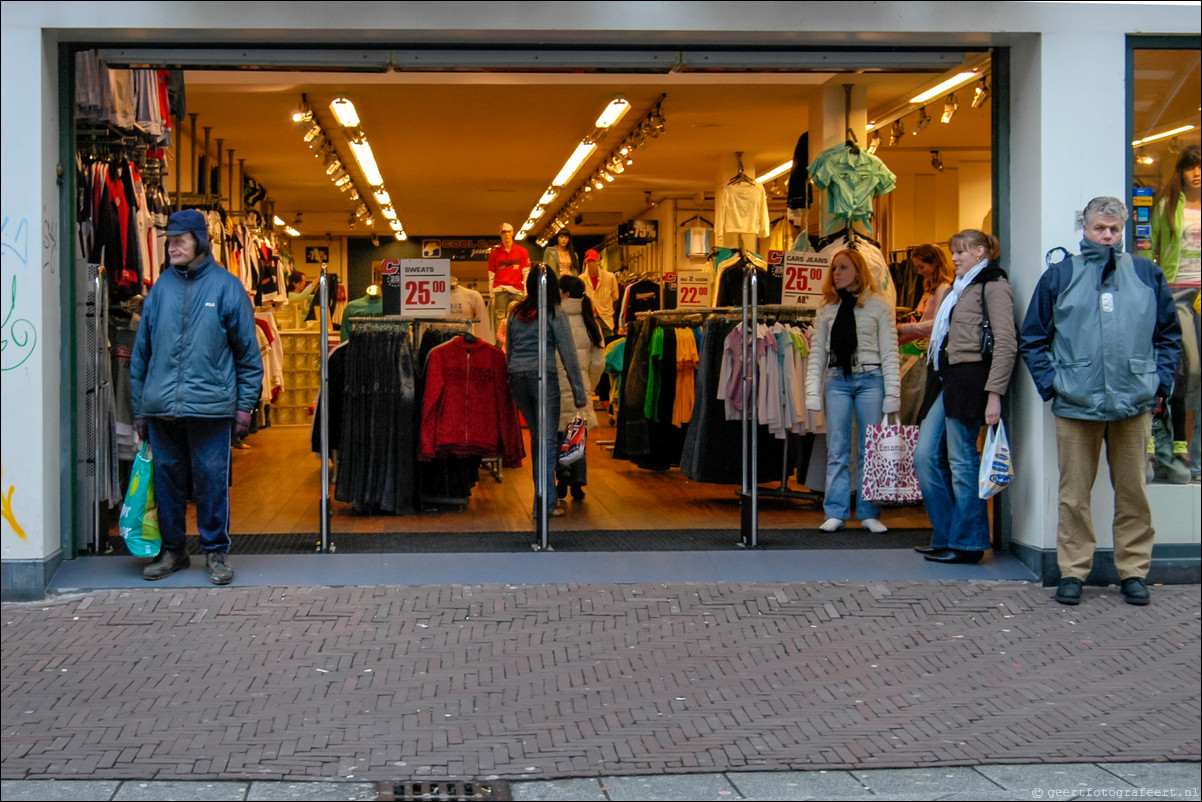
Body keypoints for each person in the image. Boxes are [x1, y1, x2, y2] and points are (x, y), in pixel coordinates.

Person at [1019, 196, 1182, 606]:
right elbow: (1033, 337)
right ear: (1085, 229)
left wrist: (1158, 384)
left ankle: (1133, 572)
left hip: (1134, 403)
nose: (1107, 236)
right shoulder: (1060, 275)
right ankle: (1073, 571)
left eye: (1114, 230)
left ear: (1122, 231)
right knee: (1074, 494)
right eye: (1099, 229)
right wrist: (1053, 385)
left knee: (1133, 492)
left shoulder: (1147, 273)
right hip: (1075, 404)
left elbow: (1168, 335)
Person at [130, 209, 264, 585]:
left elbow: (249, 358)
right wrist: (141, 409)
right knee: (167, 480)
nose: (172, 247)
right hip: (161, 409)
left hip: (211, 409)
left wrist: (243, 409)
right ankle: (173, 552)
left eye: (179, 240)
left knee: (211, 481)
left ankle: (216, 553)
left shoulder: (227, 288)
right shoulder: (160, 289)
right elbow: (141, 355)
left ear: (200, 241)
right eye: (169, 241)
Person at [913, 230, 1017, 564]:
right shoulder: (960, 289)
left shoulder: (993, 286)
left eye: (961, 251)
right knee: (926, 456)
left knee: (962, 461)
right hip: (947, 379)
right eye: (953, 251)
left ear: (981, 252)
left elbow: (1005, 342)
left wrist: (994, 394)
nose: (955, 257)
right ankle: (947, 536)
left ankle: (969, 543)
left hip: (971, 381)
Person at [804, 248, 900, 534]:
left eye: (843, 268)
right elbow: (817, 353)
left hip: (871, 378)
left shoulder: (879, 306)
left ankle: (870, 512)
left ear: (858, 271)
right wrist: (812, 390)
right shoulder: (827, 308)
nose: (837, 274)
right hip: (837, 379)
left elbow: (890, 351)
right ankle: (835, 511)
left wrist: (893, 393)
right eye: (834, 269)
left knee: (872, 448)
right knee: (837, 449)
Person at [506, 267, 590, 519]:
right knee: (548, 442)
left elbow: (509, 350)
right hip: (543, 378)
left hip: (518, 378)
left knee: (537, 439)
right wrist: (579, 394)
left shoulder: (515, 312)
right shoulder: (555, 311)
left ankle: (543, 501)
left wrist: (511, 378)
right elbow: (569, 355)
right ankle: (544, 505)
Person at [1150, 145, 1201, 483]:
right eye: (1191, 167)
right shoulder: (1167, 207)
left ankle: (1195, 460)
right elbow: (1149, 247)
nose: (1197, 173)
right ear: (1180, 171)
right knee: (1191, 371)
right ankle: (1174, 446)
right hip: (1178, 291)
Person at [555, 275, 605, 501]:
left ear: (564, 293)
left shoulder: (553, 317)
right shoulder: (590, 321)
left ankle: (561, 471)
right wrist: (587, 385)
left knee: (556, 435)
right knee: (576, 434)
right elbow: (598, 362)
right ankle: (577, 483)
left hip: (556, 385)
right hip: (580, 388)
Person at [897, 243, 954, 347]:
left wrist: (902, 328)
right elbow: (924, 326)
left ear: (935, 262)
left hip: (939, 349)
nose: (919, 272)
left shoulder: (943, 289)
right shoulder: (933, 290)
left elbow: (937, 324)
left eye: (921, 267)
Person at [488, 222, 531, 337]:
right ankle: (501, 350)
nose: (506, 234)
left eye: (508, 231)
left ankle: (517, 344)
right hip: (500, 291)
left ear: (512, 233)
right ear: (500, 234)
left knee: (519, 320)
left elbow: (526, 274)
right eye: (503, 232)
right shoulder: (494, 254)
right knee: (500, 324)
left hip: (517, 291)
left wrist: (526, 293)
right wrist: (492, 295)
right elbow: (491, 276)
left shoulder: (522, 252)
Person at [581, 248, 620, 339]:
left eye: (593, 261)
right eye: (589, 261)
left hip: (606, 319)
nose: (591, 264)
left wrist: (603, 303)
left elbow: (615, 297)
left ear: (598, 261)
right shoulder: (581, 279)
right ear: (585, 262)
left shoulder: (610, 277)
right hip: (588, 319)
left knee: (608, 345)